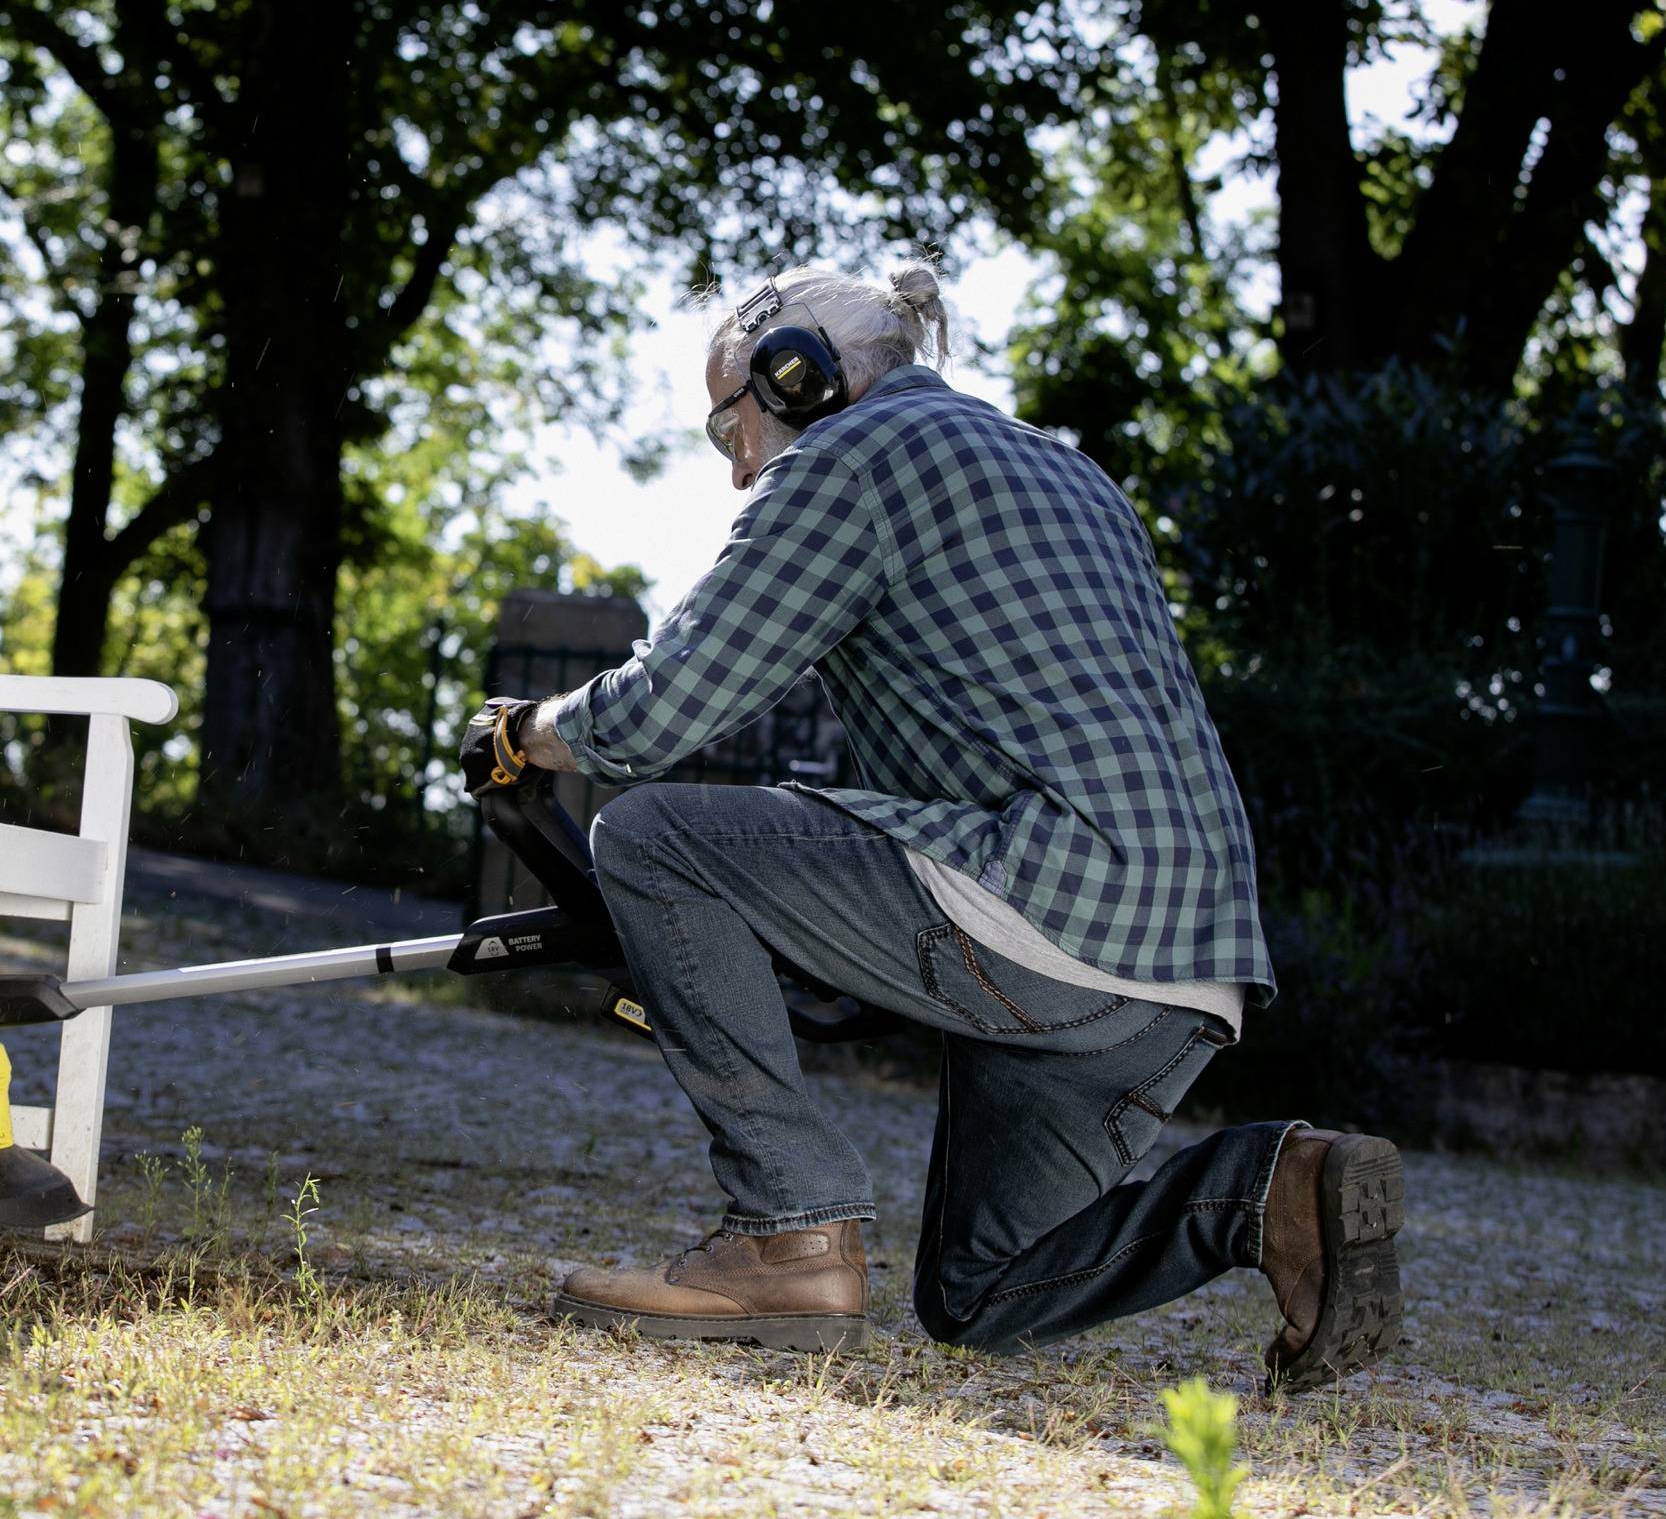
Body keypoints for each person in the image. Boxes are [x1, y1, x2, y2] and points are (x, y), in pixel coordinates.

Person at [464, 261, 1403, 1391]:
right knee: (982, 1289)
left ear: (795, 374)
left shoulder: (849, 458)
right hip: (1189, 961)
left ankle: (787, 1231)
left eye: (731, 427)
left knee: (655, 836)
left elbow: (663, 712)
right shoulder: (1067, 468)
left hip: (1055, 899)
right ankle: (1272, 1189)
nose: (739, 469)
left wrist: (525, 731)